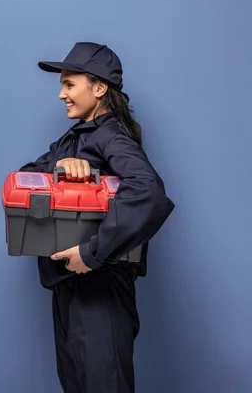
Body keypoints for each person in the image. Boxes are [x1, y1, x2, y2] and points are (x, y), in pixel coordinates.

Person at [19, 42, 175, 393]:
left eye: (69, 84)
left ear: (100, 87)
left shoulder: (111, 136)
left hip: (100, 291)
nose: (62, 94)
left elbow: (148, 192)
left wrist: (91, 253)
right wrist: (61, 167)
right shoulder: (70, 142)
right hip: (68, 288)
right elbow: (25, 176)